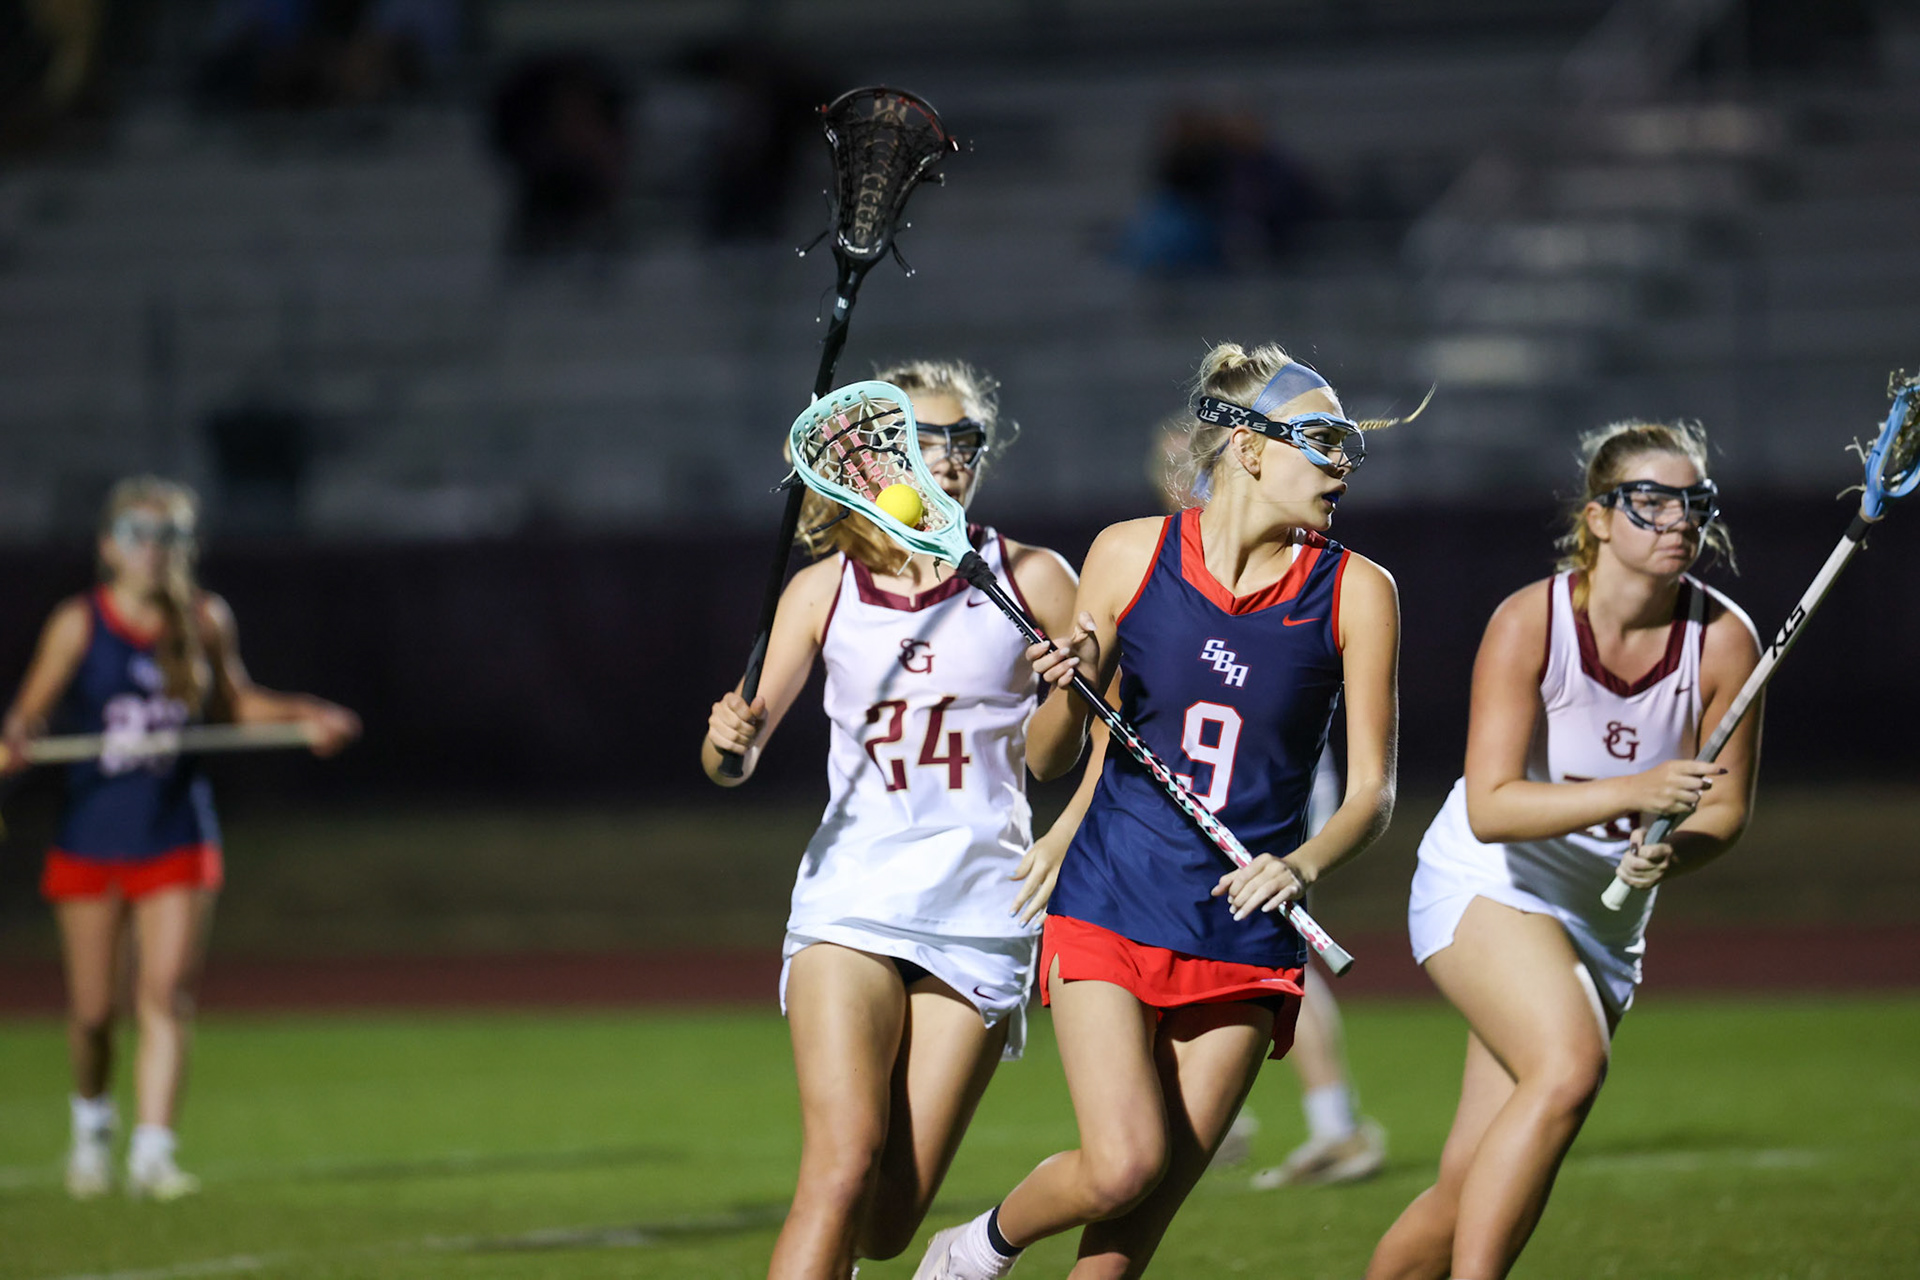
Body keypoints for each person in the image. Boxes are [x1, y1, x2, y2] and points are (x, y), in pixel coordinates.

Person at [914, 342, 1402, 1280]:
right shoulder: (1131, 553)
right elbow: (1048, 756)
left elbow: (1373, 795)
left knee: (1128, 1240)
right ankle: (973, 1250)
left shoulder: (1360, 592)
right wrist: (1067, 682)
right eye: (1325, 440)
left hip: (1245, 935)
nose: (1345, 464)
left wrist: (1301, 867)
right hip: (1112, 897)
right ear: (1253, 450)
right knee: (1122, 1162)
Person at [700, 360, 1080, 1280]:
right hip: (853, 897)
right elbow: (730, 764)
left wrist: (1071, 688)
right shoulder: (822, 589)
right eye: (926, 439)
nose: (950, 460)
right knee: (837, 1169)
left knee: (885, 1224)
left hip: (983, 908)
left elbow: (1051, 760)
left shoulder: (1032, 577)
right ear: (873, 458)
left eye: (965, 441)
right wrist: (729, 736)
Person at [1365, 421, 1762, 1280]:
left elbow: (1724, 809)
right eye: (1651, 504)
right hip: (1489, 884)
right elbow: (1495, 806)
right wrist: (1635, 792)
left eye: (1694, 506)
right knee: (1571, 1065)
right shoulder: (1529, 622)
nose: (1678, 523)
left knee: (1466, 1189)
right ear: (1599, 518)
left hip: (1601, 924)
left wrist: (1674, 853)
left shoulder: (1725, 640)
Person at [1, 477, 359, 1200]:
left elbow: (235, 703)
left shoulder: (204, 619)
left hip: (175, 833)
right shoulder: (78, 624)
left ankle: (154, 1153)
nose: (151, 549)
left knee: (165, 994)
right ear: (109, 546)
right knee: (94, 1014)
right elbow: (28, 717)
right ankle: (92, 1131)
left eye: (166, 536)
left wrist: (305, 715)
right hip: (92, 835)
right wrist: (15, 743)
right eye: (136, 533)